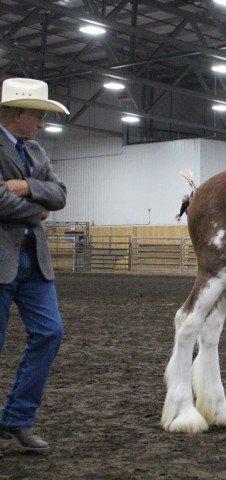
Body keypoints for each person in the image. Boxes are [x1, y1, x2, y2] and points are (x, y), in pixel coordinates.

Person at [0, 78, 68, 455]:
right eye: (38, 114)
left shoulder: (37, 150)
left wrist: (25, 187)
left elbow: (59, 194)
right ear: (17, 114)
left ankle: (17, 418)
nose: (41, 122)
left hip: (34, 261)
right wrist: (38, 208)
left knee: (50, 333)